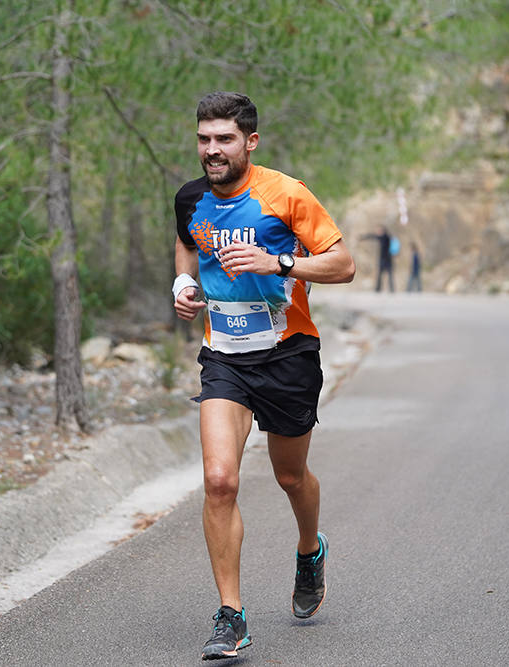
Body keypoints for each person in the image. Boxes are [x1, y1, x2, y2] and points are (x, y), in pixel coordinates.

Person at [172, 92, 355, 660]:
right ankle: (232, 616)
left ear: (250, 142)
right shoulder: (190, 197)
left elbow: (343, 265)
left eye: (224, 139)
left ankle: (309, 550)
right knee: (220, 480)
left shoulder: (286, 195)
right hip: (223, 356)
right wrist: (183, 286)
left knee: (290, 477)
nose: (212, 150)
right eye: (204, 139)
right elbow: (187, 243)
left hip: (286, 354)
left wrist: (279, 263)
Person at [362, 225, 394, 292]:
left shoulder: (385, 237)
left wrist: (364, 237)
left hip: (386, 259)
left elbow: (374, 236)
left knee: (388, 275)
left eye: (379, 231)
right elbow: (373, 236)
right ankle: (379, 288)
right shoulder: (385, 237)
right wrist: (364, 237)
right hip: (385, 259)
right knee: (381, 274)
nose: (378, 232)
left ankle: (388, 289)